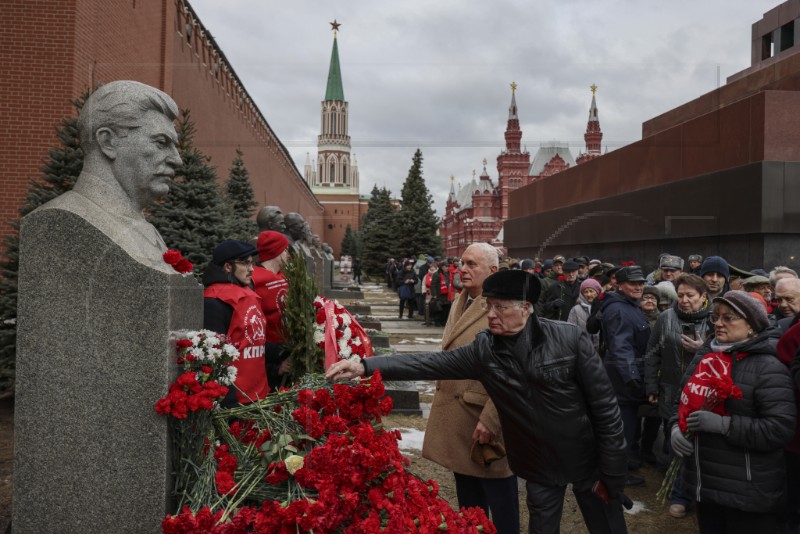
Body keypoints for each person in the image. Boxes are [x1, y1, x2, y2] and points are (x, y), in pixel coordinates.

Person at [327, 269, 630, 534]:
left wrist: (613, 473)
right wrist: (365, 366)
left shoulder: (569, 340)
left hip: (587, 459)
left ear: (526, 308)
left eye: (500, 307)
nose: (491, 314)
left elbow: (606, 409)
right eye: (489, 306)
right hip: (538, 464)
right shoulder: (485, 350)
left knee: (607, 525)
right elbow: (428, 364)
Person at [670, 291, 795, 533]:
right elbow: (681, 401)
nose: (718, 323)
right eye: (715, 317)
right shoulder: (706, 356)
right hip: (705, 485)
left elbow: (779, 429)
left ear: (751, 326)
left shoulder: (768, 367)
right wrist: (676, 426)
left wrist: (724, 425)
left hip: (747, 493)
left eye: (729, 318)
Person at [417, 243, 519, 534]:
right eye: (462, 263)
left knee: (501, 503)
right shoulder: (464, 299)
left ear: (493, 271)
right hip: (460, 419)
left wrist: (491, 419)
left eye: (472, 264)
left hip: (485, 422)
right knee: (470, 504)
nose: (462, 269)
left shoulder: (505, 307)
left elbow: (512, 370)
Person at [46, 80, 182, 270]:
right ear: (108, 141)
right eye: (161, 142)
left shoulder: (148, 231)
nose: (177, 160)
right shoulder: (63, 221)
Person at [644, 273, 711, 518]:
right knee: (676, 444)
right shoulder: (665, 318)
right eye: (680, 295)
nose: (683, 300)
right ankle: (679, 494)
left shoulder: (716, 319)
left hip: (707, 396)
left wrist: (702, 349)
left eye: (690, 296)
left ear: (703, 297)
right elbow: (652, 354)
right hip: (672, 393)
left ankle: (704, 492)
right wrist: (651, 386)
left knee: (704, 446)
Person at [597, 265, 651, 486]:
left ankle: (622, 464)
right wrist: (632, 378)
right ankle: (617, 474)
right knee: (623, 428)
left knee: (627, 426)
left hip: (626, 376)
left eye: (640, 283)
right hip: (622, 380)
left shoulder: (629, 305)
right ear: (619, 285)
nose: (638, 287)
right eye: (633, 283)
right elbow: (621, 348)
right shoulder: (619, 309)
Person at [203, 240, 270, 406]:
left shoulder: (248, 294)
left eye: (252, 263)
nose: (251, 269)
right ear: (227, 267)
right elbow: (214, 357)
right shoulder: (214, 301)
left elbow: (253, 342)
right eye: (245, 263)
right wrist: (230, 403)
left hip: (258, 394)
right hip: (236, 402)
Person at [252, 231, 291, 390]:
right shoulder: (254, 281)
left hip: (288, 353)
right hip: (267, 359)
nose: (288, 255)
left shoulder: (283, 276)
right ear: (277, 253)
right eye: (286, 250)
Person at [567, 277, 602, 351]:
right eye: (585, 292)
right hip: (583, 350)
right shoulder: (575, 310)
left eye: (591, 291)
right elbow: (570, 331)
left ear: (598, 292)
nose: (589, 294)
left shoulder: (604, 307)